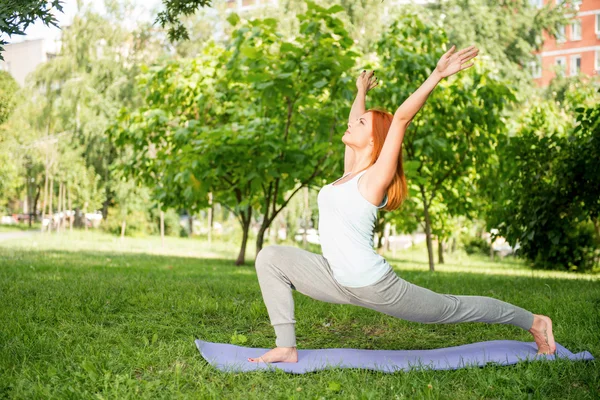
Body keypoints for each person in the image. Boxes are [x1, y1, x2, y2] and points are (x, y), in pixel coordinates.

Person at [248, 45, 555, 364]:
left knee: (449, 308)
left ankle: (534, 321)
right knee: (270, 257)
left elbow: (401, 119)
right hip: (334, 278)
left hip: (374, 285)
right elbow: (356, 120)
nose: (352, 124)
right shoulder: (348, 173)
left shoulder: (373, 179)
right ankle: (286, 346)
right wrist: (360, 91)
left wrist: (436, 75)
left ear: (374, 141)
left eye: (362, 124)